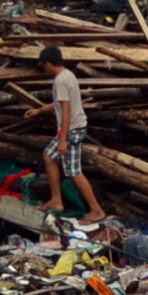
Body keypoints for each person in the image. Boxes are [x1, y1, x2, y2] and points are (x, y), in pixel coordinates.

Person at [42, 42, 102, 221]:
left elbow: (66, 110)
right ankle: (56, 200)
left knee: (74, 171)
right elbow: (61, 104)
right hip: (71, 128)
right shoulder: (69, 75)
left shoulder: (60, 81)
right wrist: (40, 110)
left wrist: (63, 140)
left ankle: (96, 210)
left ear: (48, 63)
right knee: (49, 156)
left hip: (72, 130)